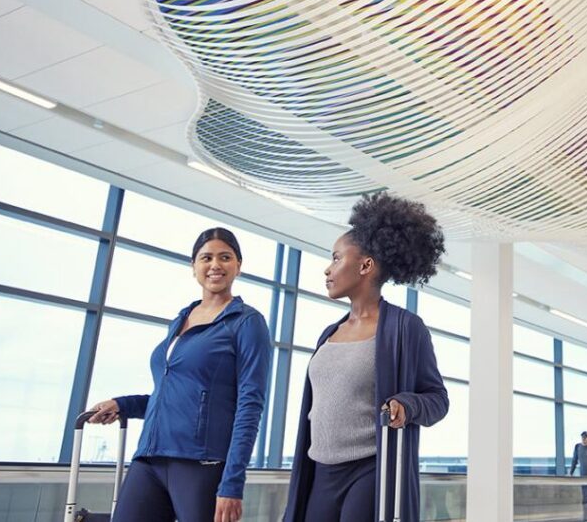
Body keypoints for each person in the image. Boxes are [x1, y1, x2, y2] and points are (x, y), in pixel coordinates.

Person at [282, 193, 449, 522]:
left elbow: (438, 399)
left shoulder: (405, 328)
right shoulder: (329, 333)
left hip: (370, 470)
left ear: (365, 266)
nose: (328, 268)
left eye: (336, 258)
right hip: (320, 471)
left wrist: (407, 404)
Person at [88, 228, 271, 522]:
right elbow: (173, 396)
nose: (215, 265)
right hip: (150, 457)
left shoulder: (247, 322)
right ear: (193, 266)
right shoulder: (180, 320)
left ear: (238, 265)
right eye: (206, 258)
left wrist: (233, 482)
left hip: (201, 463)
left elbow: (250, 405)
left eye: (225, 257)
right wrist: (123, 404)